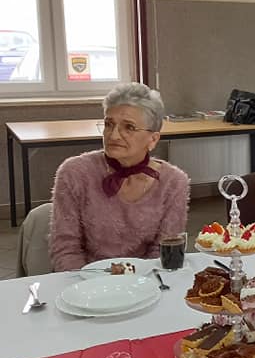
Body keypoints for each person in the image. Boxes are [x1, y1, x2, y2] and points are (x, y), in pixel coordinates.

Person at [50, 82, 189, 271]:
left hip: (145, 279)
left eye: (129, 127)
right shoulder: (74, 173)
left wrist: (137, 282)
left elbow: (163, 253)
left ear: (153, 139)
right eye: (109, 124)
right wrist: (87, 284)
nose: (114, 135)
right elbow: (65, 249)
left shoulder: (174, 182)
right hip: (88, 279)